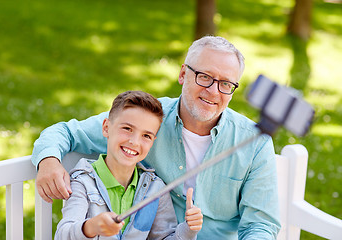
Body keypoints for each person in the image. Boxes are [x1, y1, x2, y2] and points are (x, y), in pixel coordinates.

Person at [33, 36, 281, 239]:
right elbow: (64, 132)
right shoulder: (147, 122)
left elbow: (261, 226)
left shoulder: (255, 142)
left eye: (226, 84)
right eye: (204, 77)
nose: (213, 91)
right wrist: (48, 161)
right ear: (183, 74)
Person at [55, 90, 203, 239]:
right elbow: (63, 234)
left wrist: (188, 230)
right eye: (127, 129)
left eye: (146, 136)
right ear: (106, 127)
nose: (134, 142)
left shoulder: (156, 189)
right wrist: (91, 227)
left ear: (152, 141)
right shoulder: (83, 182)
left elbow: (164, 237)